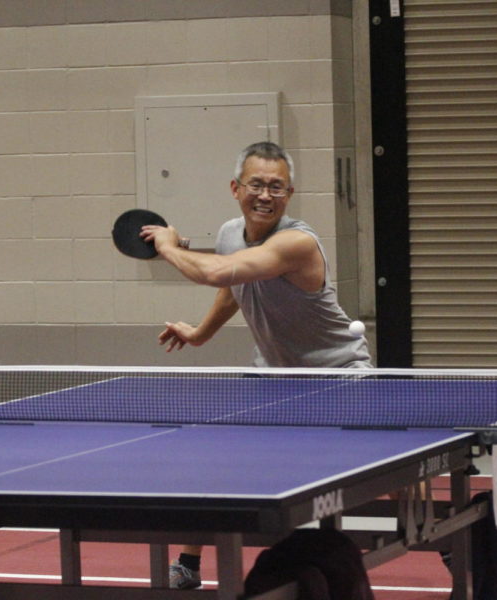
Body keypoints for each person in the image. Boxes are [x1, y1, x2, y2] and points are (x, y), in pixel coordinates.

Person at [140, 141, 372, 589]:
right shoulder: (231, 234)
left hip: (339, 376)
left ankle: (437, 529)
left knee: (395, 461)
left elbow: (217, 273)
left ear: (290, 194)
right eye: (257, 185)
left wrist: (168, 247)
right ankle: (188, 562)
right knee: (219, 457)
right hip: (273, 376)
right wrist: (203, 332)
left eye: (277, 187)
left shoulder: (297, 243)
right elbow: (233, 284)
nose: (266, 195)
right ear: (236, 188)